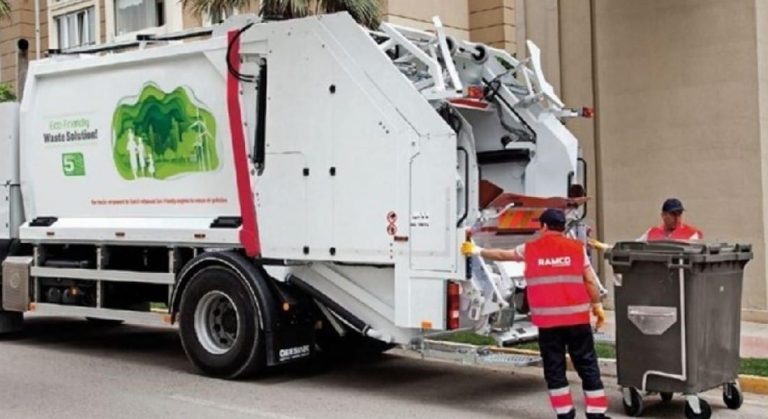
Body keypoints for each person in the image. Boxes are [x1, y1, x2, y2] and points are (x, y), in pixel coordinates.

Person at [462, 208, 609, 419]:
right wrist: (597, 305)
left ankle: (565, 414)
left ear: (545, 226)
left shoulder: (531, 248)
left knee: (555, 369)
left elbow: (503, 255)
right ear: (562, 227)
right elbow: (590, 280)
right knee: (587, 365)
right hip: (577, 320)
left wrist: (476, 251)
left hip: (548, 323)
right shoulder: (576, 248)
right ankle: (596, 414)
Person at [638, 198, 702, 241]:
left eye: (679, 214)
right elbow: (636, 247)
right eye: (673, 214)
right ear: (663, 215)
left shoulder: (691, 234)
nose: (677, 218)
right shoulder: (651, 232)